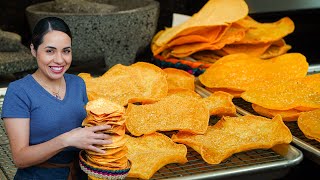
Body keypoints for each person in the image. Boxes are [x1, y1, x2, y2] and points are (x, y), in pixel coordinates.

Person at [1, 17, 112, 180]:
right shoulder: (19, 91)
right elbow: (20, 158)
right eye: (50, 51)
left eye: (66, 51)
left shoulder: (78, 83)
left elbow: (87, 130)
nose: (60, 60)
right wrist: (66, 140)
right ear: (33, 49)